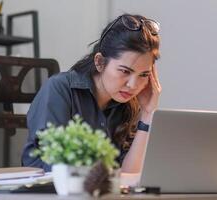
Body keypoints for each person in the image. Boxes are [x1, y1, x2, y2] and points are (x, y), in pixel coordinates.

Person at [21, 14, 161, 173]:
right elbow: (57, 166)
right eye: (124, 71)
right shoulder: (59, 89)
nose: (133, 85)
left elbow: (129, 175)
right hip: (48, 192)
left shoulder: (130, 105)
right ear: (100, 62)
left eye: (143, 75)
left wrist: (148, 114)